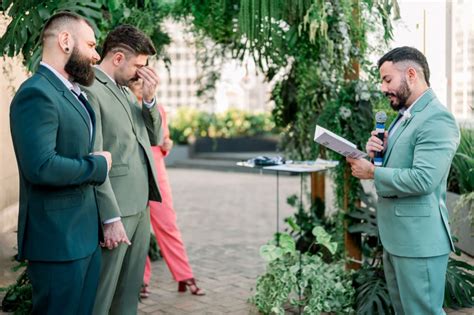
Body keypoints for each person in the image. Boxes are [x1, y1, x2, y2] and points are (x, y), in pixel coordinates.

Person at [9, 12, 111, 314]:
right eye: (91, 45)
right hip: (57, 242)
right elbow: (42, 167)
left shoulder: (74, 94)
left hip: (83, 238)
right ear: (66, 41)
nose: (96, 55)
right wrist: (97, 166)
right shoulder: (36, 94)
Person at [346, 46, 460, 314]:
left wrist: (372, 172)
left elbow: (423, 179)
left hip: (419, 242)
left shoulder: (437, 118)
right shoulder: (405, 117)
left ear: (411, 74)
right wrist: (377, 155)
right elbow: (401, 166)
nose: (383, 88)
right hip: (398, 237)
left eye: (387, 80)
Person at [81, 25, 162, 315]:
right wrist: (110, 216)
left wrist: (150, 100)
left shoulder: (127, 92)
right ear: (117, 58)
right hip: (116, 207)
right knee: (103, 291)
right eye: (138, 65)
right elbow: (95, 156)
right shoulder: (90, 89)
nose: (141, 73)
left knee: (129, 292)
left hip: (141, 203)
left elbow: (154, 137)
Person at [128, 80, 205, 298]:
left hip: (157, 172)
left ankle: (184, 274)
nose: (142, 85)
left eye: (145, 81)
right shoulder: (123, 107)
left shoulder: (157, 108)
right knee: (137, 229)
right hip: (133, 175)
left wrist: (167, 145)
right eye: (137, 81)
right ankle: (141, 280)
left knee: (168, 224)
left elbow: (164, 141)